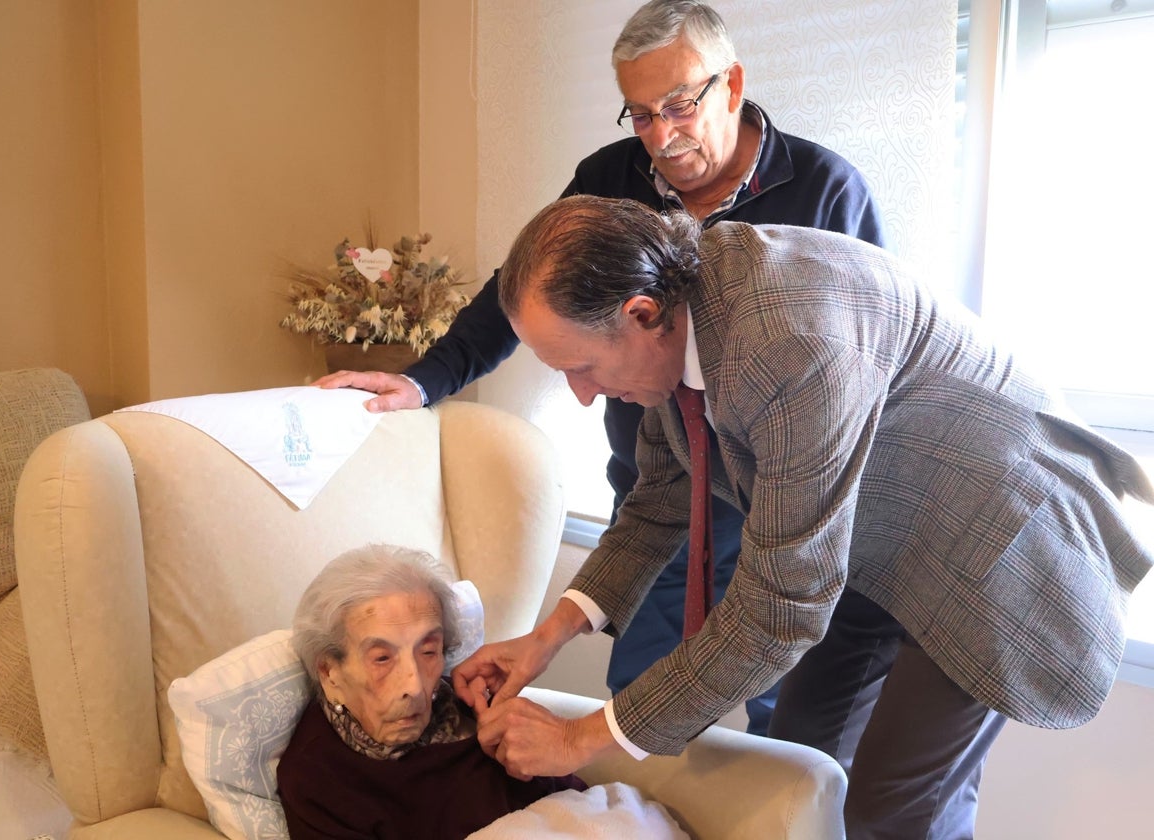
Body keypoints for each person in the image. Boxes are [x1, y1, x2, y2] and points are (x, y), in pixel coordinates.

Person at [451, 195, 1154, 839]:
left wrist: (579, 738)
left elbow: (779, 611)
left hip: (997, 550)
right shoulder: (677, 328)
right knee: (799, 764)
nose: (580, 395)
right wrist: (544, 640)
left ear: (640, 314)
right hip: (870, 542)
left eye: (581, 367)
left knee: (894, 811)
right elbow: (657, 502)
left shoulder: (788, 341)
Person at [315, 0, 888, 736]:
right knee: (641, 715)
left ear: (733, 84)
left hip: (782, 510)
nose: (662, 136)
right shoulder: (608, 179)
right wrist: (424, 379)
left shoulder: (825, 188)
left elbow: (861, 371)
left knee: (795, 746)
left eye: (678, 106)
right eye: (641, 115)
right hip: (662, 494)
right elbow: (520, 293)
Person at [277, 544, 584, 840]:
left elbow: (575, 799)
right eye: (382, 658)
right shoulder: (317, 778)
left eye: (428, 651)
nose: (414, 686)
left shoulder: (473, 705)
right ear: (330, 672)